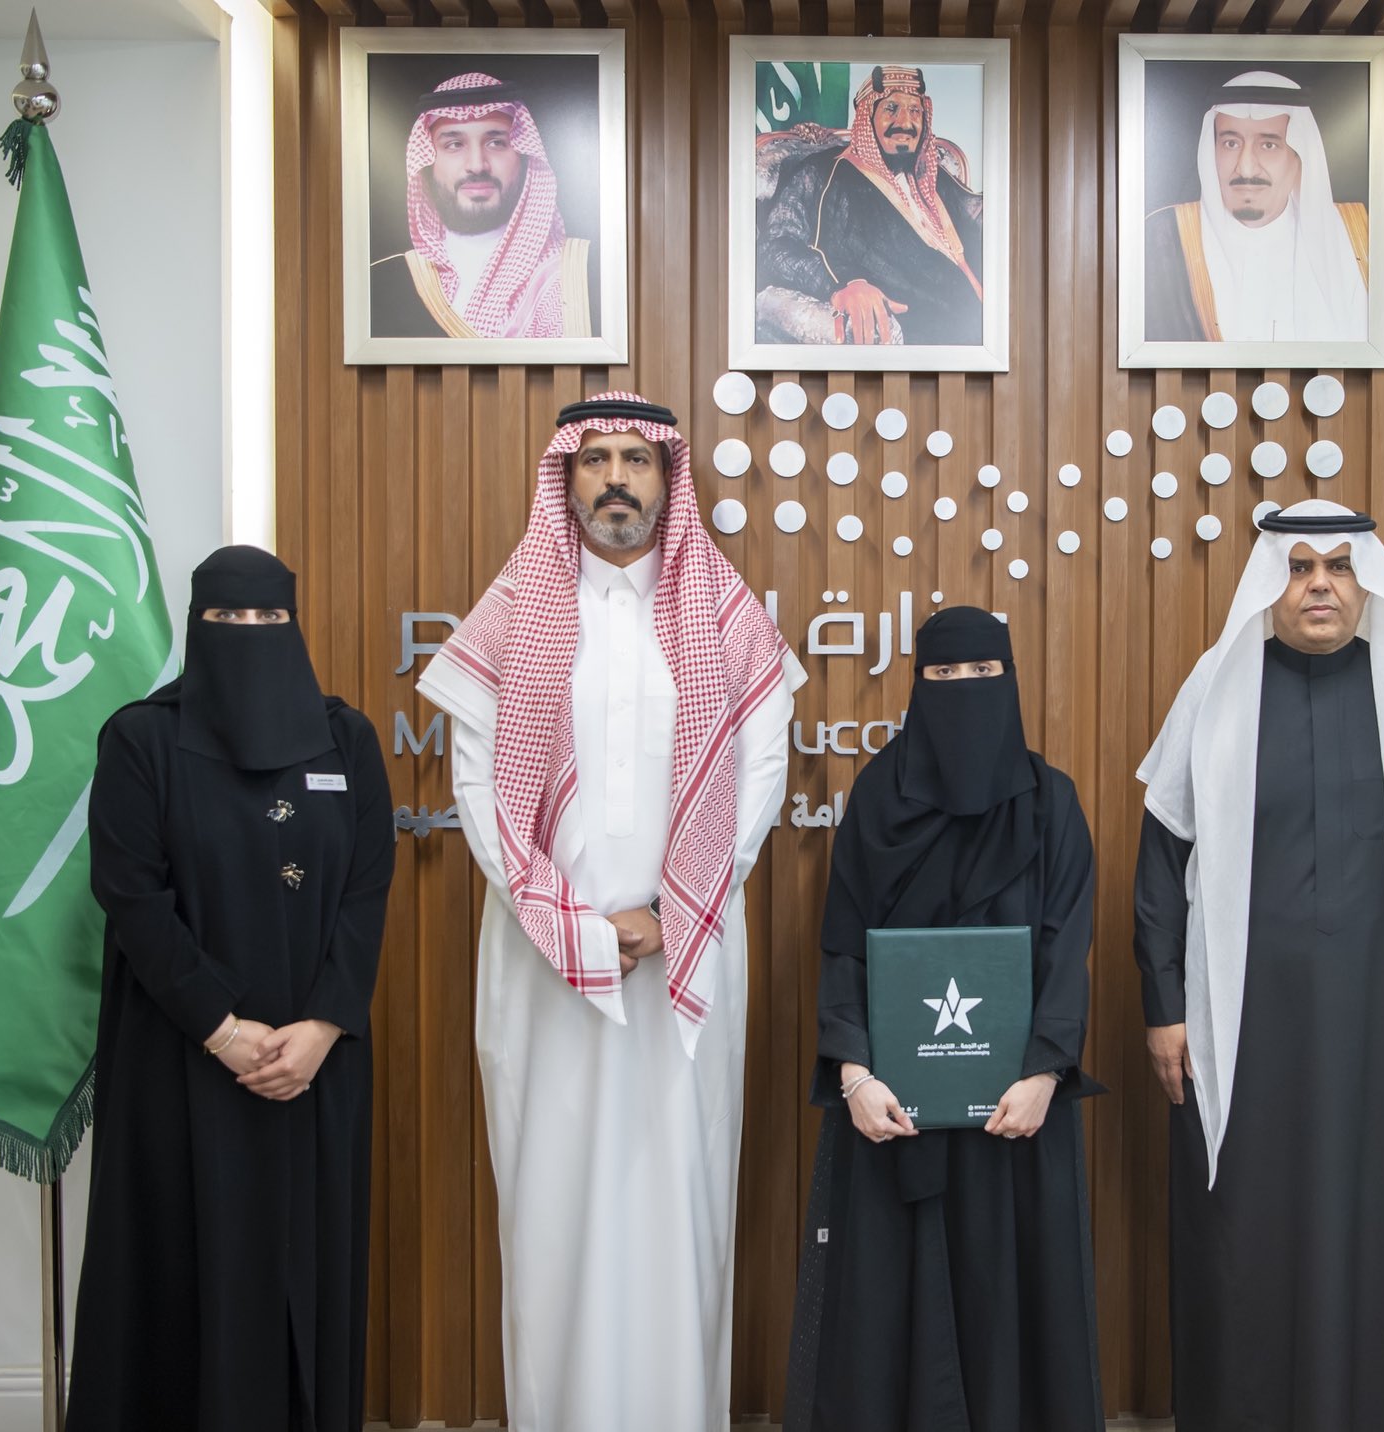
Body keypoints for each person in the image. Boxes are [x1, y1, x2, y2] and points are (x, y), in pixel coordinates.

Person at [417, 392, 803, 1432]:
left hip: (688, 953)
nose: (618, 478)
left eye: (637, 458)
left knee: (680, 1194)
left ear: (669, 477)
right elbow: (479, 790)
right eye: (596, 460)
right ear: (566, 478)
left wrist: (672, 912)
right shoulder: (514, 613)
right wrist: (574, 924)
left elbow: (760, 774)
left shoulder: (724, 615)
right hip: (542, 960)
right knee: (552, 1197)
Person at [1134, 500, 1384, 1431]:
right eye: (1297, 567)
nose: (1319, 585)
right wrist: (1165, 1007)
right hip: (1239, 1017)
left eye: (1338, 566)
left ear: (1366, 583)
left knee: (1368, 1220)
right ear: (1270, 582)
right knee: (1245, 1226)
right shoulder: (1219, 688)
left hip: (1378, 1015)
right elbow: (1162, 861)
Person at [66, 546, 395, 1432]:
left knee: (306, 1265)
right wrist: (222, 1030)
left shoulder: (347, 740)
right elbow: (132, 897)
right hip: (181, 1059)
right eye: (227, 618)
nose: (249, 633)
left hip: (315, 1067)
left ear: (294, 624)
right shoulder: (142, 741)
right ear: (195, 624)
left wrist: (323, 1025)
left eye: (268, 618)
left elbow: (367, 890)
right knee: (182, 1269)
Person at [783, 606, 1105, 1432]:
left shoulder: (1051, 804)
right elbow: (843, 944)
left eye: (983, 673)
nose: (965, 688)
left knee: (1013, 1299)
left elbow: (1067, 947)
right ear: (918, 684)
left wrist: (1045, 1073)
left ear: (1011, 679)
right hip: (894, 1113)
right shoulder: (877, 799)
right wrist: (854, 1073)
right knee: (889, 1307)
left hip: (1017, 1114)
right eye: (944, 674)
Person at [756, 65, 984, 347]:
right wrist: (844, 284)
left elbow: (978, 213)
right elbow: (776, 246)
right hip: (921, 329)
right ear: (867, 117)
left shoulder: (931, 174)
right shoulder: (823, 172)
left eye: (915, 111)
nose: (905, 122)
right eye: (891, 108)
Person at [1144, 70, 1369, 344]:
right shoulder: (1163, 238)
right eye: (1231, 143)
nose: (1246, 167)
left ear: (1299, 156)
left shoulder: (1358, 236)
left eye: (1268, 145)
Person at [370, 71, 594, 341]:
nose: (477, 165)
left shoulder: (585, 272)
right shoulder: (383, 283)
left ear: (524, 156)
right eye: (454, 145)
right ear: (428, 162)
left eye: (496, 143)